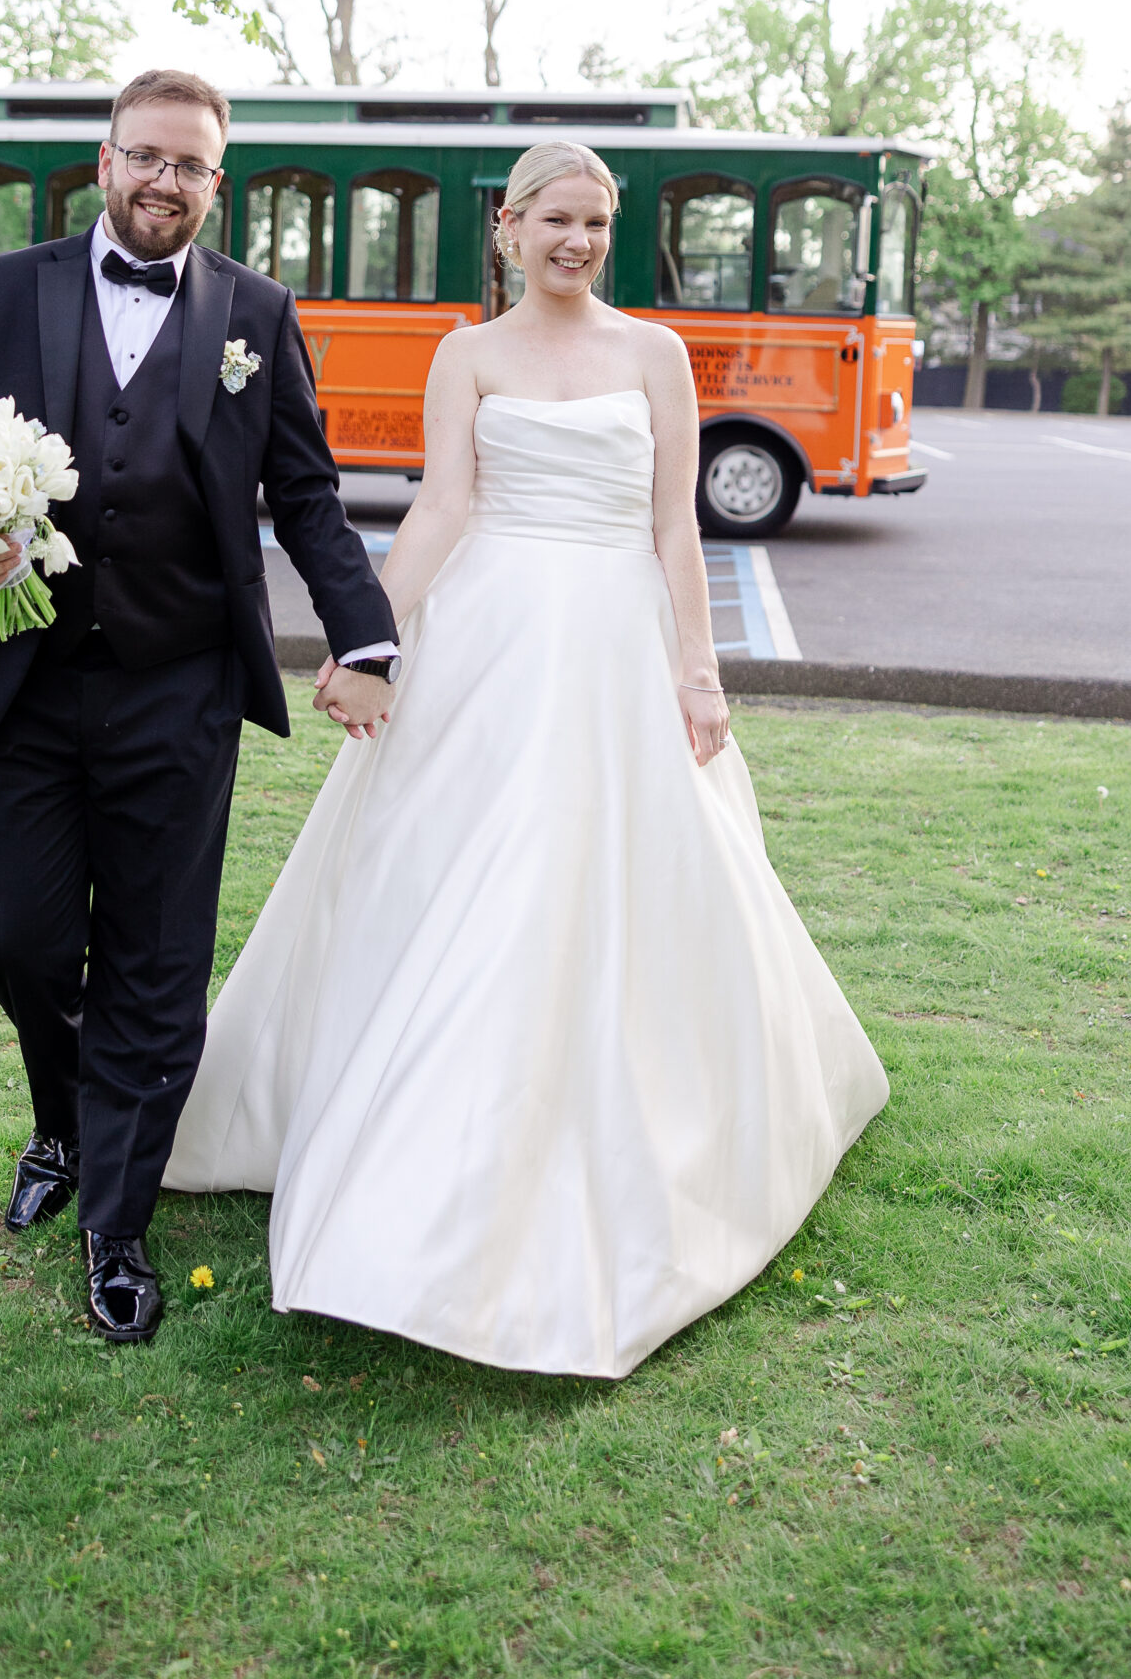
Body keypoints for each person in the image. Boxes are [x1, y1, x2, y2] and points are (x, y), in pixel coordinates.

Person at [166, 139, 889, 1379]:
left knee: (604, 877)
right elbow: (442, 507)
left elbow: (675, 524)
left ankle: (607, 1125)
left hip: (614, 638)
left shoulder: (656, 356)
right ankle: (416, 1146)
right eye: (556, 219)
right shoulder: (469, 356)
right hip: (488, 641)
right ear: (507, 227)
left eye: (597, 223)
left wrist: (698, 669)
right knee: (461, 877)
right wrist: (369, 642)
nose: (578, 242)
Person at [0, 70, 398, 1345]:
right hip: (26, 678)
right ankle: (66, 1120)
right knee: (20, 937)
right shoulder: (2, 290)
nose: (164, 183)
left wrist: (369, 634)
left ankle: (116, 1222)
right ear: (106, 158)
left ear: (215, 183)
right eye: (145, 157)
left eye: (190, 167)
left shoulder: (256, 311)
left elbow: (304, 494)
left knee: (156, 959)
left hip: (180, 690)